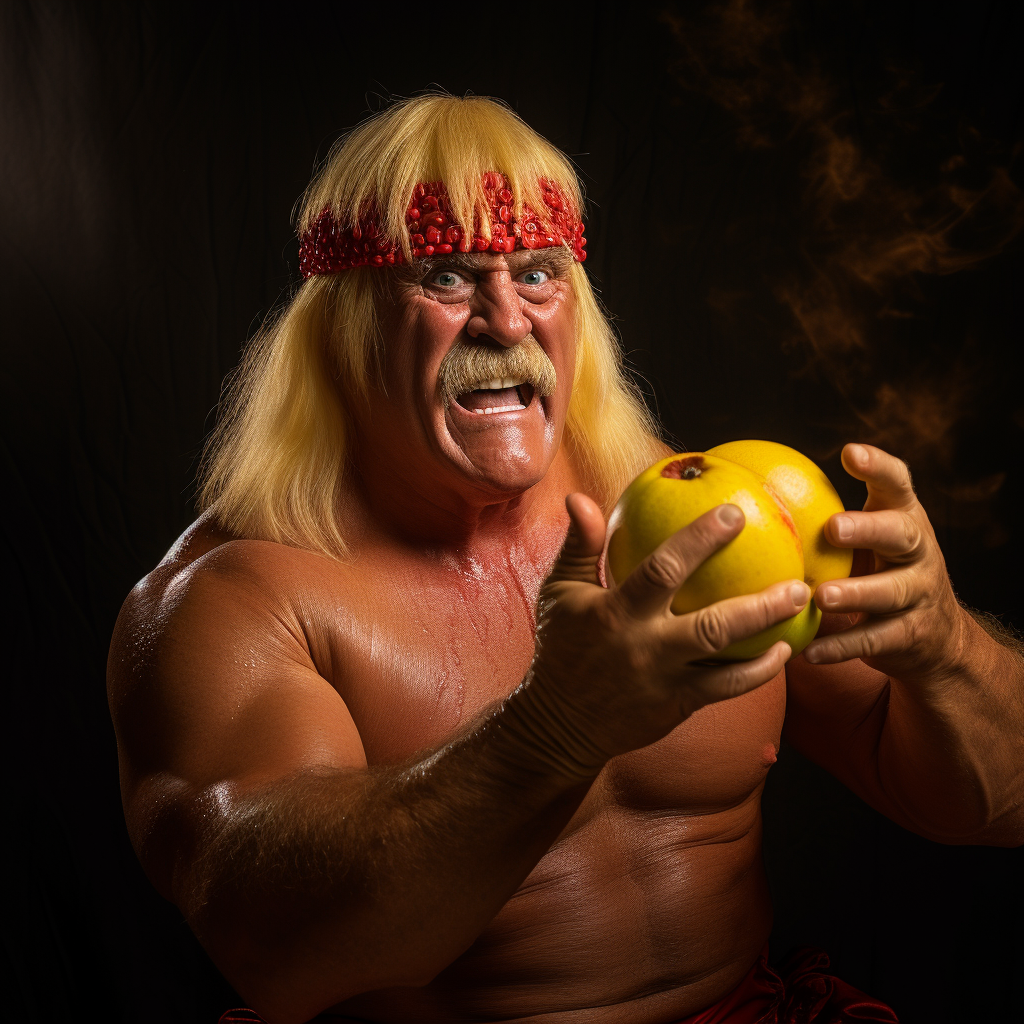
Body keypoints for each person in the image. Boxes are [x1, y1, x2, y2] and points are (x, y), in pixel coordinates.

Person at [107, 95, 1024, 1024]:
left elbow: (996, 805)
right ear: (342, 325)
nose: (505, 321)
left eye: (539, 274)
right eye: (448, 276)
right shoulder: (236, 600)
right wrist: (554, 734)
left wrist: (947, 651)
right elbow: (275, 949)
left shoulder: (695, 516)